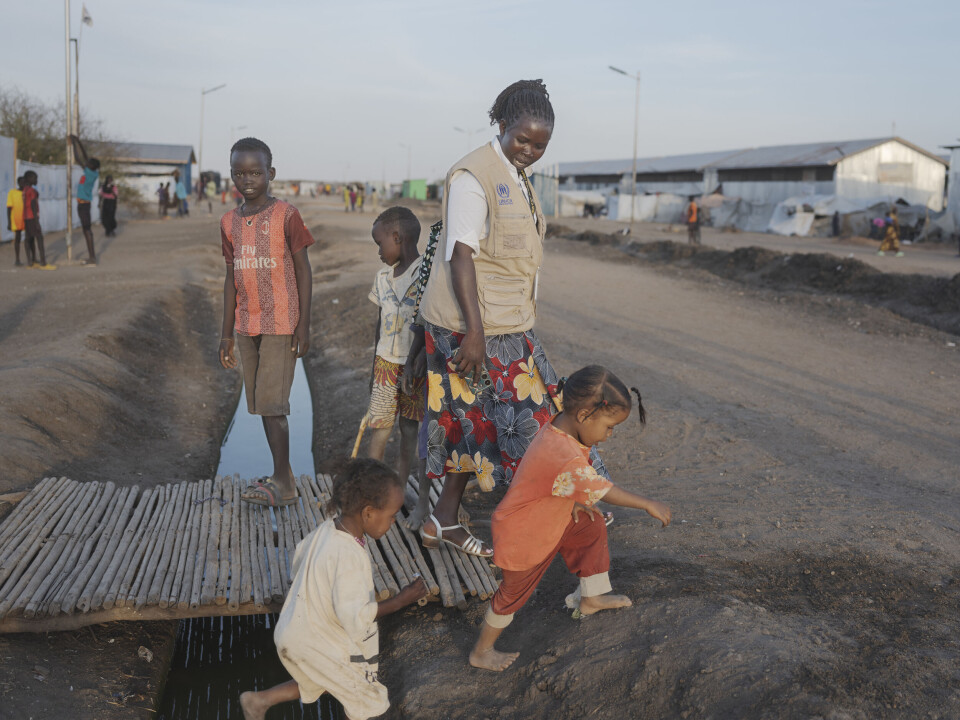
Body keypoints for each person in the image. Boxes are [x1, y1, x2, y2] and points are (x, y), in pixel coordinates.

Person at [414, 79, 595, 555]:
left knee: (464, 419)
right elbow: (460, 256)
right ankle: (559, 519)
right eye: (523, 140)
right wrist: (474, 332)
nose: (531, 151)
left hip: (506, 323)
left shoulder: (517, 176)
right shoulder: (475, 175)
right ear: (501, 124)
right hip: (473, 327)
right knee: (531, 421)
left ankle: (442, 522)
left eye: (540, 145)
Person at [469, 366, 671, 671]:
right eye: (609, 426)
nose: (609, 435)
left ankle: (591, 596)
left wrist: (572, 500)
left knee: (590, 524)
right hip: (524, 537)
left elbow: (556, 480)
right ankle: (482, 651)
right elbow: (602, 488)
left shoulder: (563, 430)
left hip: (550, 518)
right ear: (584, 415)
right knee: (511, 596)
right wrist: (646, 504)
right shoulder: (559, 449)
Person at [238, 458, 428, 720]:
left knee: (322, 680)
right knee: (364, 695)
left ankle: (260, 701)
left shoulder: (327, 529)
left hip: (295, 629)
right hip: (314, 641)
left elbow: (298, 562)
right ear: (369, 513)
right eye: (392, 515)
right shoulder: (349, 556)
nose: (393, 521)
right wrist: (400, 600)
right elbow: (354, 616)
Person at [219, 137, 314, 507]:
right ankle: (282, 472)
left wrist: (303, 326)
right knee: (260, 404)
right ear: (231, 175)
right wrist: (225, 333)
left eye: (256, 172)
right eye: (240, 173)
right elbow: (231, 278)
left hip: (281, 322)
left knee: (274, 404)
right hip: (247, 324)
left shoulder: (286, 216)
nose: (248, 179)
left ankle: (284, 483)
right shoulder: (228, 223)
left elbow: (304, 271)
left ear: (271, 173)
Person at [365, 206, 425, 489]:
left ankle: (399, 489)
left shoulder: (427, 277)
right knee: (379, 426)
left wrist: (419, 363)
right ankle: (370, 487)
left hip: (414, 367)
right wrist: (373, 369)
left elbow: (429, 326)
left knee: (409, 430)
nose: (379, 252)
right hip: (385, 364)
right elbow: (380, 323)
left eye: (380, 244)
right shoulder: (381, 278)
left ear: (397, 237)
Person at [69, 134, 100, 265]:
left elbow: (78, 157)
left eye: (88, 163)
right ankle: (91, 256)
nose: (86, 163)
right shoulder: (93, 171)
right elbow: (85, 156)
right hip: (83, 204)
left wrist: (74, 145)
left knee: (87, 230)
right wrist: (78, 141)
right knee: (86, 230)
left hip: (84, 205)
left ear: (90, 166)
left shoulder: (89, 172)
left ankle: (92, 257)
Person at [21, 171, 55, 270]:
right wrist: (37, 222)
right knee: (39, 238)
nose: (36, 180)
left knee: (28, 239)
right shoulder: (31, 191)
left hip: (26, 217)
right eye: (35, 178)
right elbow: (33, 206)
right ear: (29, 179)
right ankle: (43, 263)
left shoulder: (25, 190)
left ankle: (30, 262)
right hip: (32, 218)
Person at [6, 176, 25, 266]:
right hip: (17, 220)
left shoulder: (27, 193)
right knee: (17, 238)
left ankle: (31, 259)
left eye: (24, 182)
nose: (23, 184)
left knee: (29, 239)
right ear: (18, 183)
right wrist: (9, 222)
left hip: (26, 220)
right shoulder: (12, 193)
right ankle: (17, 259)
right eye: (21, 182)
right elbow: (9, 209)